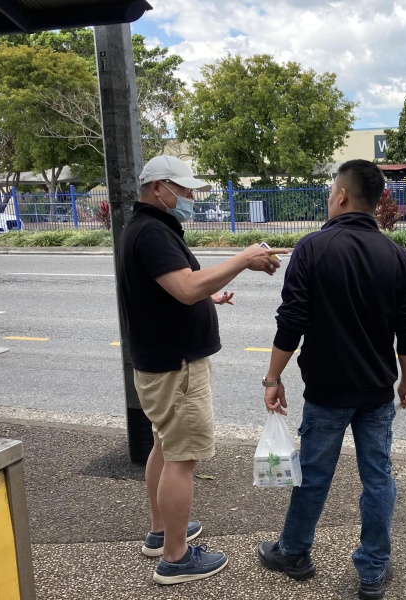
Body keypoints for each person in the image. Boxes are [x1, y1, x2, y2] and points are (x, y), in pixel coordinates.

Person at [256, 159, 406, 600]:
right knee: (378, 477)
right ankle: (373, 570)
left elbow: (291, 322)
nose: (330, 198)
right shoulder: (397, 256)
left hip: (326, 391)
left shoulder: (312, 248)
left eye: (331, 191)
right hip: (377, 391)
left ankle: (293, 552)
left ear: (343, 195)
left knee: (313, 474)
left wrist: (273, 378)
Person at [117, 155, 286, 586]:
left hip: (161, 362)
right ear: (159, 188)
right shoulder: (153, 232)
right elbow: (186, 286)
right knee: (182, 458)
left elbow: (170, 288)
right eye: (185, 189)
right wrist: (243, 258)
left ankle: (161, 532)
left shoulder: (147, 227)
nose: (191, 196)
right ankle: (175, 557)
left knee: (164, 446)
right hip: (177, 367)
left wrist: (211, 296)